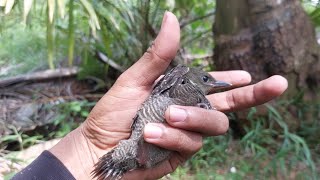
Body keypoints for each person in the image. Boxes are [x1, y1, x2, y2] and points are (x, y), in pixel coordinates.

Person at [12, 12, 288, 180]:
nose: (210, 85)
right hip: (135, 142)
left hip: (142, 150)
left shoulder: (197, 97)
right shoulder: (179, 80)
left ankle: (125, 161)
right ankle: (123, 160)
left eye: (209, 83)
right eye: (205, 80)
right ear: (187, 78)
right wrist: (90, 148)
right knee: (133, 150)